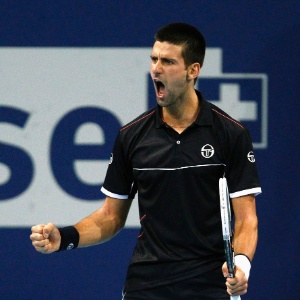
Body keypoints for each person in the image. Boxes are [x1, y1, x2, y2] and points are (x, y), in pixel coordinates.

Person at [30, 23, 261, 299]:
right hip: (147, 283)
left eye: (168, 61)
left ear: (193, 70)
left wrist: (242, 264)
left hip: (210, 283)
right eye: (154, 59)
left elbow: (247, 219)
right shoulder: (132, 136)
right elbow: (110, 216)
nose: (156, 69)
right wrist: (66, 238)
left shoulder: (230, 134)